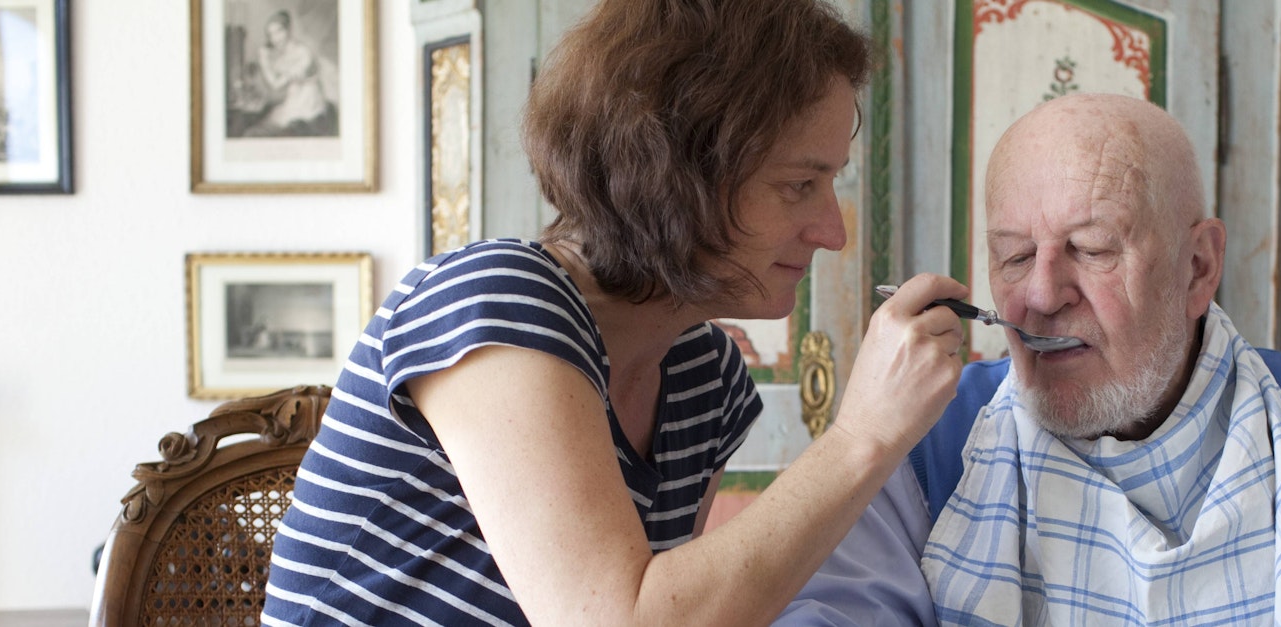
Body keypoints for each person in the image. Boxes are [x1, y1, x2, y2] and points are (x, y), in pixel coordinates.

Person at [261, 1, 971, 625]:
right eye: (798, 185)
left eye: (831, 181)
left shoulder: (706, 377)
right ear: (678, 173)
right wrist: (864, 435)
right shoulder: (496, 301)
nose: (833, 231)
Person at [777, 94, 1281, 626]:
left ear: (1198, 267)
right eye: (1014, 256)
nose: (1040, 295)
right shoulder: (922, 451)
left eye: (1090, 249)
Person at [247, 10, 336, 137]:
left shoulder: (302, 53)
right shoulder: (282, 56)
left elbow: (276, 85)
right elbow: (274, 86)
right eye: (270, 34)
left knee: (260, 132)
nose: (274, 38)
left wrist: (263, 61)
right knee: (256, 128)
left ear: (288, 30)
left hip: (307, 108)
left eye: (278, 31)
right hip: (293, 103)